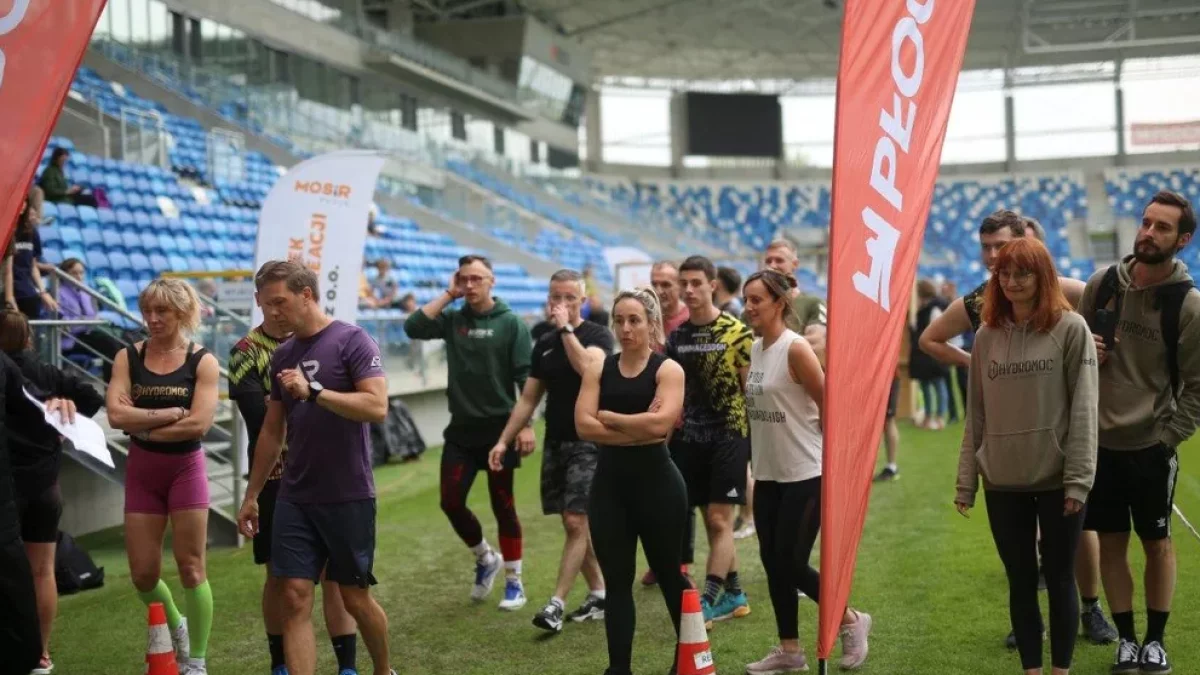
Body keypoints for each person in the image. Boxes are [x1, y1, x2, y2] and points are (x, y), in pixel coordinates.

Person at [919, 209, 1115, 647]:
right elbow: (929, 339)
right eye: (987, 248)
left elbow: (1103, 324)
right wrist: (979, 365)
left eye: (1002, 246)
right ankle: (1030, 620)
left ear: (1029, 244)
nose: (994, 257)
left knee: (1077, 531)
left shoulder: (1065, 294)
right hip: (1008, 446)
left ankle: (1090, 607)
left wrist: (1097, 348)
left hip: (1058, 432)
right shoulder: (980, 302)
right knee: (1025, 554)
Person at [235, 261, 394, 675]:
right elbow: (272, 432)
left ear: (307, 294)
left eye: (280, 302)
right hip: (294, 495)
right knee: (293, 595)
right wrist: (252, 496)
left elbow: (377, 407)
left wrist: (315, 391)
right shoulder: (282, 355)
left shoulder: (353, 341)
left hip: (347, 493)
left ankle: (382, 670)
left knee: (354, 597)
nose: (271, 313)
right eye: (265, 305)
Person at [956, 238, 1099, 675]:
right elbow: (975, 413)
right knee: (1019, 581)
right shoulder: (986, 336)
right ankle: (1032, 670)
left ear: (1043, 276)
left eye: (1023, 273)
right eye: (1004, 273)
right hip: (1003, 480)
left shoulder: (1071, 329)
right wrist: (967, 481)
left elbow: (1084, 410)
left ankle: (1061, 670)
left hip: (1058, 479)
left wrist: (1078, 480)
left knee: (1059, 579)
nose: (1013, 281)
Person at [1078, 190, 1200, 675]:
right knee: (1110, 542)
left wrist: (1166, 441)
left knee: (1157, 544)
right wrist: (1087, 351)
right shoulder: (1101, 284)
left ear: (1182, 240)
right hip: (1099, 445)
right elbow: (1073, 356)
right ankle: (1126, 641)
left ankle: (1155, 641)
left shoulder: (1187, 306)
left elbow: (1196, 388)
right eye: (1147, 222)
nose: (1149, 232)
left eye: (1162, 227)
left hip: (1151, 446)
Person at [741, 270, 872, 672]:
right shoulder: (757, 348)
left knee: (791, 562)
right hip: (767, 474)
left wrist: (839, 462)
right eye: (746, 299)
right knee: (771, 560)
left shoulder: (795, 349)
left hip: (805, 473)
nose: (748, 307)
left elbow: (830, 407)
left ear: (780, 303)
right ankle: (790, 650)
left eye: (756, 300)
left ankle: (851, 620)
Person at [404, 254, 535, 609]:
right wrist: (449, 294)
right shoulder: (452, 319)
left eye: (477, 278)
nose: (471, 285)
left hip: (500, 432)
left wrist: (525, 426)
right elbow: (413, 327)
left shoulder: (512, 324)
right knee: (450, 501)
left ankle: (514, 582)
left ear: (492, 280)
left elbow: (526, 378)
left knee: (503, 506)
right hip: (460, 431)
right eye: (465, 279)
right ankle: (484, 557)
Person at [487, 269, 613, 633]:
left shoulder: (595, 334)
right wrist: (503, 439)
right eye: (555, 297)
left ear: (583, 301)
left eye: (569, 298)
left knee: (576, 520)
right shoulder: (541, 337)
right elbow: (530, 397)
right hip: (556, 440)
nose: (560, 304)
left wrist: (566, 330)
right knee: (572, 522)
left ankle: (555, 604)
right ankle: (600, 593)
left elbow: (589, 369)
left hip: (589, 440)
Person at [105, 279, 220, 675]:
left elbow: (199, 425)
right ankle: (177, 624)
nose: (152, 319)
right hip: (143, 472)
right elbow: (116, 416)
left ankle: (197, 661)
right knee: (143, 575)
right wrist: (166, 414)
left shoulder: (202, 361)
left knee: (191, 566)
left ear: (182, 313)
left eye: (162, 312)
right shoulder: (128, 357)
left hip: (185, 470)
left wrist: (144, 428)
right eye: (147, 311)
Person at [576, 287, 689, 675]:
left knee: (671, 574)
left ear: (651, 323)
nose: (625, 328)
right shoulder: (598, 368)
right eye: (619, 320)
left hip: (659, 487)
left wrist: (612, 418)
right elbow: (583, 425)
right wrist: (638, 428)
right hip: (610, 490)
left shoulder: (667, 369)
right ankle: (618, 669)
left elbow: (661, 426)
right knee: (618, 582)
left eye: (634, 320)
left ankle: (688, 659)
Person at [1, 311, 103, 675]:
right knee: (42, 571)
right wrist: (64, 420)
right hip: (46, 485)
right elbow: (92, 397)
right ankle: (41, 652)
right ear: (29, 338)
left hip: (9, 489)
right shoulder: (48, 373)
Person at [667, 255, 754, 626]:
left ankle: (710, 598)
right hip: (692, 439)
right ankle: (735, 594)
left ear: (712, 284)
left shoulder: (738, 333)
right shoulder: (677, 338)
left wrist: (756, 444)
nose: (688, 290)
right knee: (711, 522)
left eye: (696, 282)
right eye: (683, 283)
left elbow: (748, 391)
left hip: (730, 436)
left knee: (720, 520)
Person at [640, 260, 693, 587]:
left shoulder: (687, 321)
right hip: (650, 423)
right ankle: (659, 562)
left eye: (666, 284)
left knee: (680, 498)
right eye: (655, 283)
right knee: (649, 499)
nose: (660, 290)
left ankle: (681, 562)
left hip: (686, 425)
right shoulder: (647, 321)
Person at [56, 258, 124, 382]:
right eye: (74, 273)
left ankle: (115, 386)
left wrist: (89, 320)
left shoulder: (85, 292)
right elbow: (65, 325)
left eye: (81, 273)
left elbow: (93, 315)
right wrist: (87, 321)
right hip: (69, 339)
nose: (79, 276)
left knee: (119, 345)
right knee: (110, 346)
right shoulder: (58, 293)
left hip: (86, 333)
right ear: (65, 274)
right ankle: (112, 387)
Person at [758, 238, 827, 357]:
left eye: (779, 260)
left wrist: (767, 346)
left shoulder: (813, 303)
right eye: (768, 261)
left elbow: (816, 343)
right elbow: (743, 344)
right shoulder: (755, 305)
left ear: (795, 264)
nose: (772, 265)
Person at [4, 198, 56, 320]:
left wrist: (43, 292)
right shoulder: (6, 231)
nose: (22, 205)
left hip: (28, 293)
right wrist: (9, 298)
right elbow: (7, 271)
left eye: (24, 201)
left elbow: (32, 266)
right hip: (7, 293)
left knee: (29, 336)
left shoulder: (31, 231)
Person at [910, 279, 951, 430]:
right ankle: (928, 416)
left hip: (932, 355)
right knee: (926, 386)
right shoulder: (920, 310)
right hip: (921, 356)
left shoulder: (934, 310)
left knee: (938, 385)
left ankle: (940, 417)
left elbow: (940, 331)